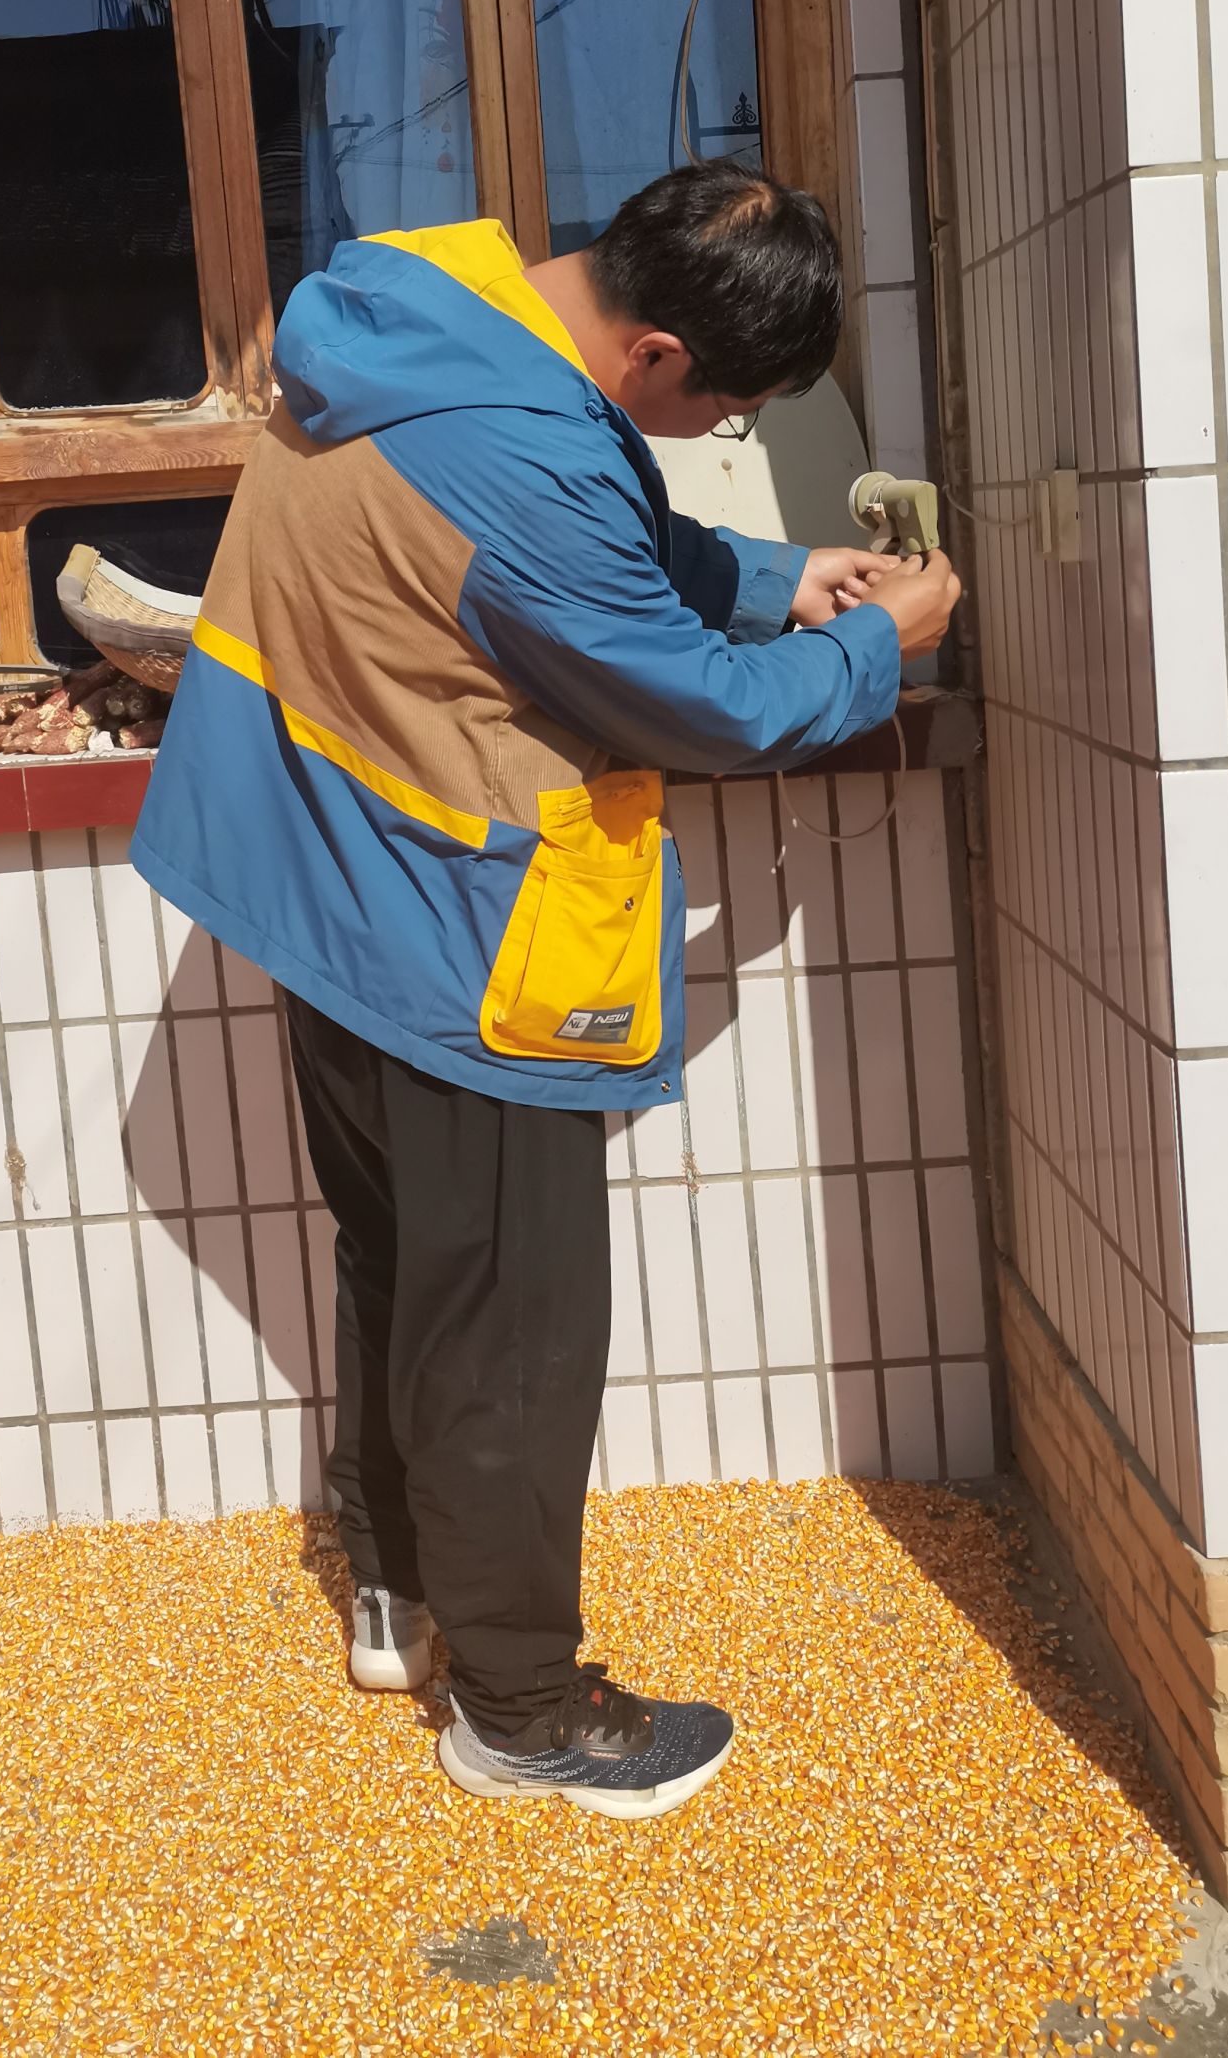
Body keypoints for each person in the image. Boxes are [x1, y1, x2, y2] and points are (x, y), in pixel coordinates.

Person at [133, 161, 961, 1821]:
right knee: (513, 1327)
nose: (713, 428)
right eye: (719, 404)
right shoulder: (525, 451)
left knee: (408, 1268)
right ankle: (518, 1707)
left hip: (319, 891)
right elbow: (693, 703)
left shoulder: (432, 313)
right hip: (453, 939)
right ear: (657, 351)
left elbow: (578, 544)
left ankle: (398, 1592)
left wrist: (775, 576)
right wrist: (881, 645)